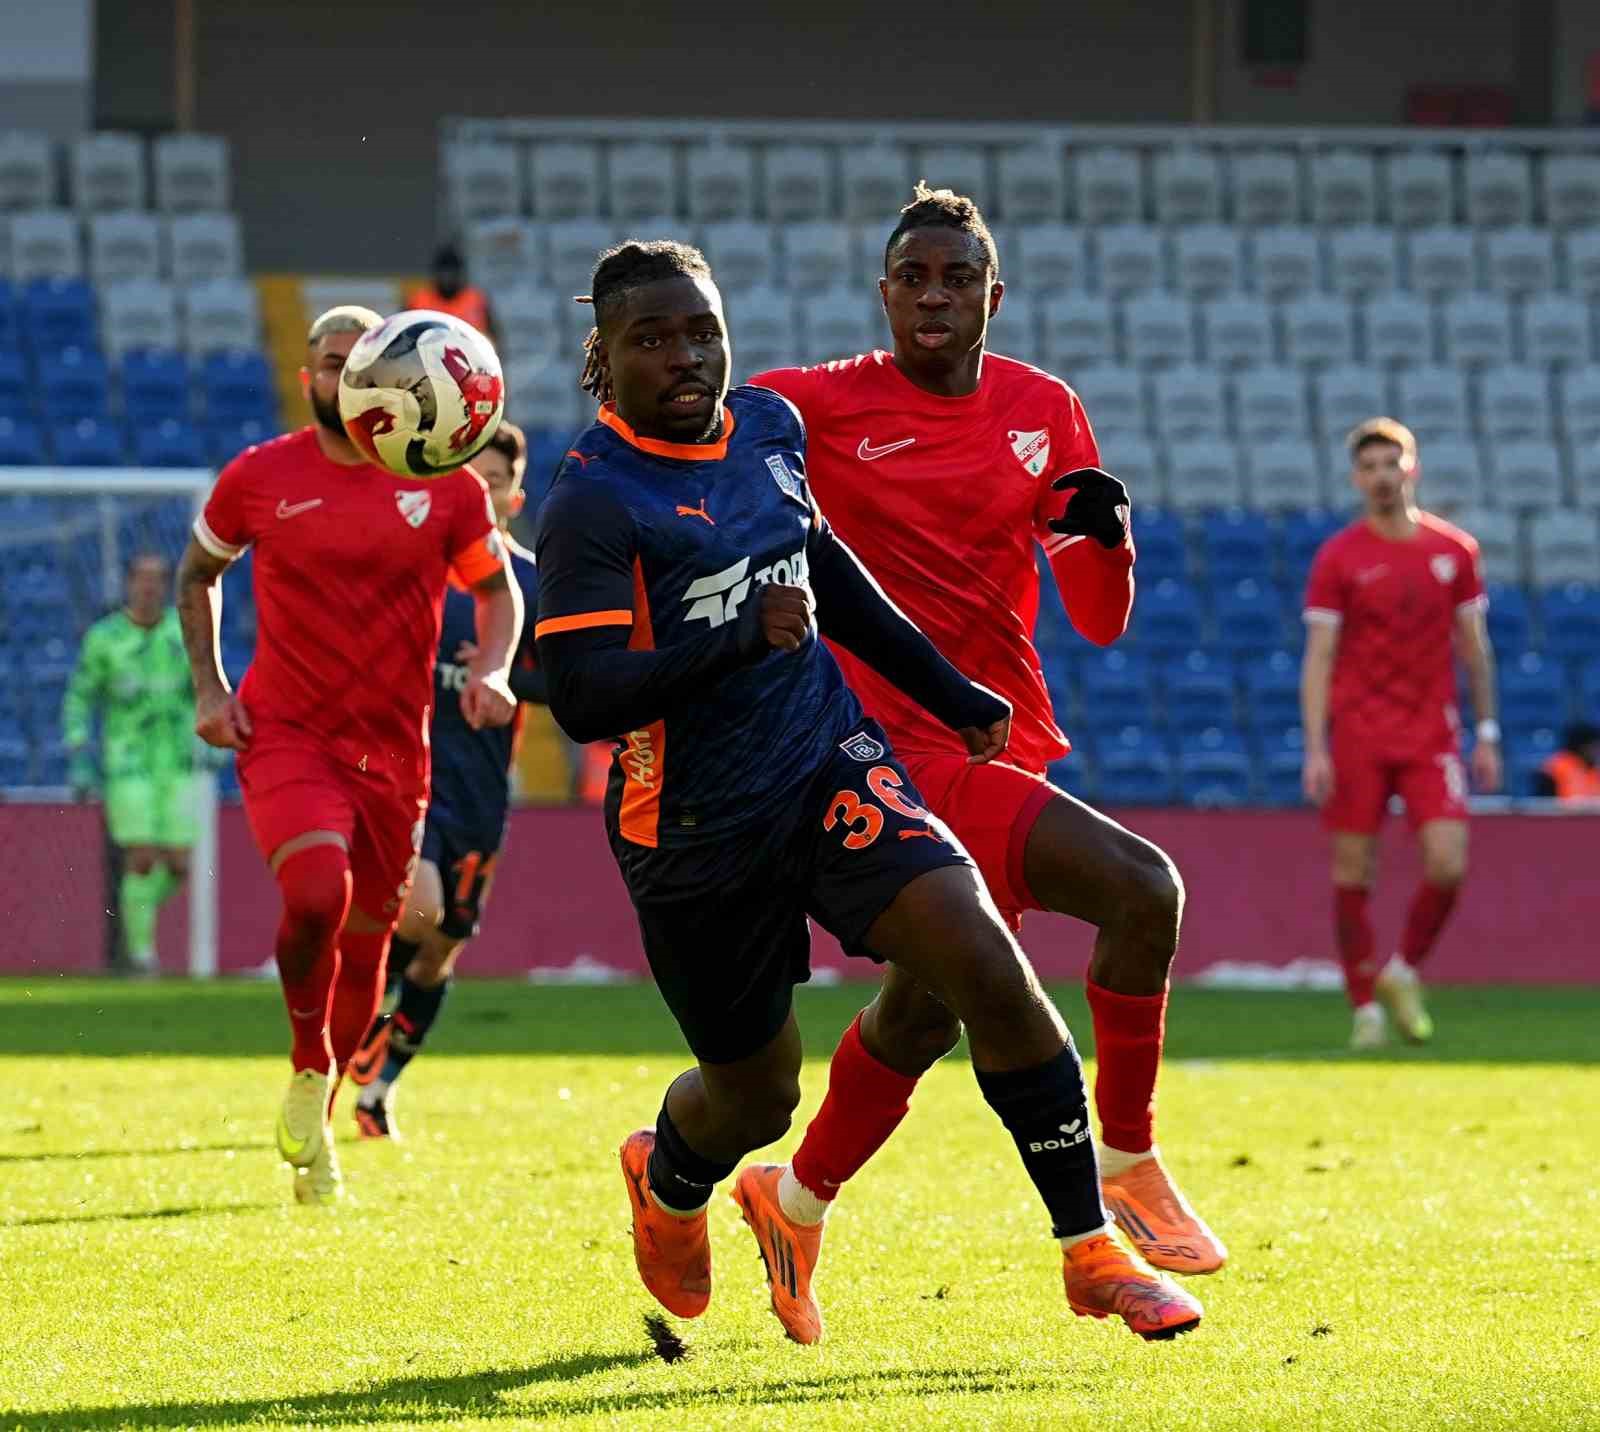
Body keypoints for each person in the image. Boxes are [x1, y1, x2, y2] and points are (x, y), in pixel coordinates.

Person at [535, 239, 1202, 1345]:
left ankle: (1091, 1249)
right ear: (604, 356)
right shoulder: (594, 502)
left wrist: (946, 688)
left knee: (982, 961)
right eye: (650, 339)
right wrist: (735, 639)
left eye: (701, 331)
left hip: (827, 760)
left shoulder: (766, 428)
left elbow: (825, 565)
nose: (684, 356)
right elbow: (581, 696)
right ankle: (672, 1179)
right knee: (756, 1096)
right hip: (694, 826)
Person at [746, 185, 1224, 1293]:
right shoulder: (813, 402)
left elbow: (1098, 618)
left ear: (992, 297)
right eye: (913, 278)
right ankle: (1127, 1163)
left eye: (956, 279)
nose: (933, 296)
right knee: (1142, 888)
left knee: (926, 1014)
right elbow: (694, 433)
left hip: (1001, 734)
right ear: (883, 294)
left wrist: (1111, 542)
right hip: (886, 749)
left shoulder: (1044, 408)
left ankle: (792, 1199)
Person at [175, 304, 522, 1206]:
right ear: (310, 378)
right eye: (329, 364)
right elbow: (198, 573)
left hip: (395, 754)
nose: (343, 378)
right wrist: (211, 688)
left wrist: (494, 669)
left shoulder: (448, 487)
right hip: (287, 733)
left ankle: (320, 1117)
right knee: (315, 893)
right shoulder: (260, 475)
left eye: (357, 362)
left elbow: (499, 594)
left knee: (371, 949)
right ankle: (306, 1058)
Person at [348, 421, 544, 1138]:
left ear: (515, 497)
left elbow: (570, 681)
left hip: (481, 788)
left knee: (442, 949)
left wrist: (508, 675)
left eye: (495, 483)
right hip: (409, 772)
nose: (481, 494)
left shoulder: (529, 584)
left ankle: (378, 1088)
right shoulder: (420, 565)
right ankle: (358, 1014)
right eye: (470, 480)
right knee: (420, 910)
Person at [1301, 418, 1501, 1049]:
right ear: (1356, 479)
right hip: (1359, 734)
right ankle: (1364, 1008)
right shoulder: (1339, 557)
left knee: (1448, 863)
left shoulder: (1455, 552)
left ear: (1412, 468)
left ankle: (1403, 969)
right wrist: (1315, 746)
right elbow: (1319, 656)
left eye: (1392, 463)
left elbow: (1475, 649)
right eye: (1370, 467)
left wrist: (1487, 730)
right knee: (1353, 870)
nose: (1382, 476)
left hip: (1430, 734)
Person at [62, 552, 196, 976]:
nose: (150, 586)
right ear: (128, 584)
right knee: (141, 858)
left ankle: (134, 916)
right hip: (128, 764)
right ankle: (141, 954)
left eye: (158, 579)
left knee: (179, 865)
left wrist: (212, 735)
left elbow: (205, 689)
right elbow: (80, 696)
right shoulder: (105, 638)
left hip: (178, 763)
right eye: (142, 578)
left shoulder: (185, 632)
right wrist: (79, 752)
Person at [406, 244, 495, 344]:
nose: (448, 278)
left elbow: (493, 338)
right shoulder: (418, 301)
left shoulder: (476, 300)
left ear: (460, 273)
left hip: (469, 352)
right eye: (444, 273)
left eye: (452, 273)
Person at [1534, 722, 1600, 803]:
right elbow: (1544, 804)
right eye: (1594, 746)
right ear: (1582, 746)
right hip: (1563, 810)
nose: (1597, 751)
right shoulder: (1553, 769)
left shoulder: (1595, 769)